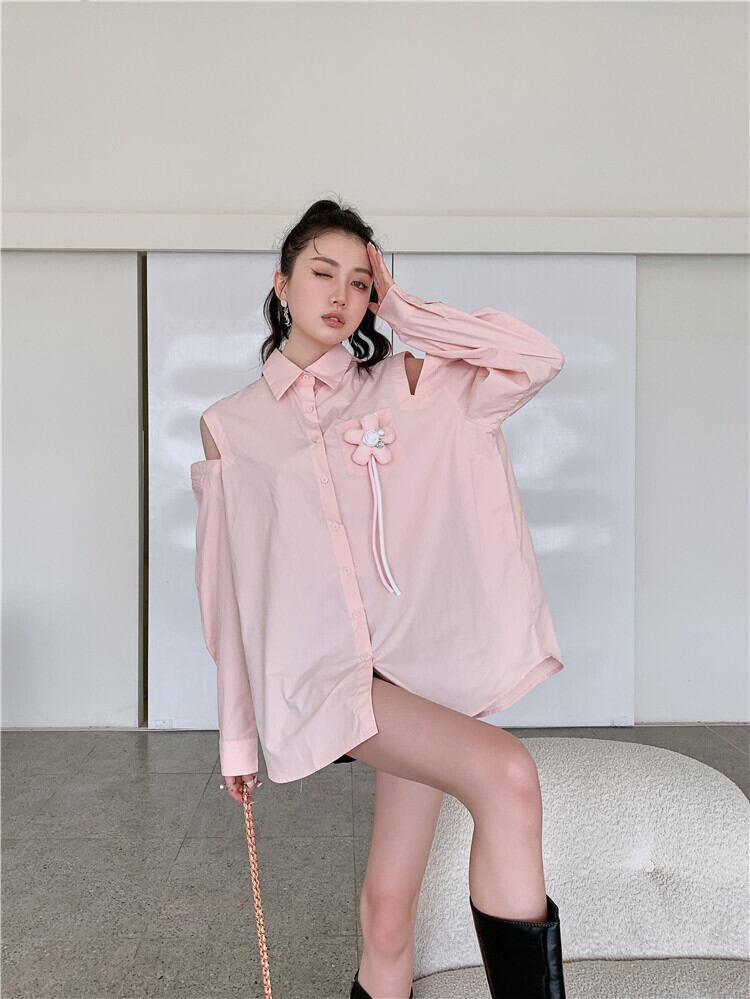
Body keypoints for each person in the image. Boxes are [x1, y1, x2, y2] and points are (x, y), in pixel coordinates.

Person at [192, 198, 567, 999]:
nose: (341, 294)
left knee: (389, 914)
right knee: (506, 774)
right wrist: (237, 738)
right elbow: (230, 591)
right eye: (322, 272)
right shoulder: (230, 426)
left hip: (416, 669)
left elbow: (535, 360)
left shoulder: (407, 384)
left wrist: (406, 310)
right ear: (282, 283)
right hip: (323, 677)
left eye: (361, 282)